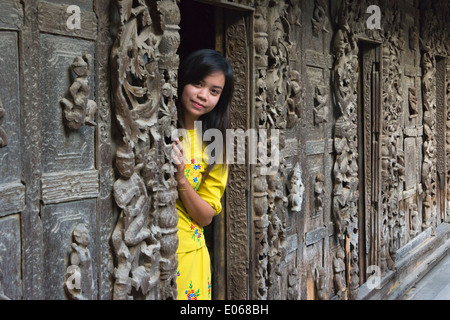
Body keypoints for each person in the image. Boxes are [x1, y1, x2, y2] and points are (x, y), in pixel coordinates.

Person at [171, 49, 234, 300]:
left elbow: (206, 215)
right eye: (197, 83)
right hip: (142, 252)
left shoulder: (215, 145)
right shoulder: (154, 125)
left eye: (214, 91)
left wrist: (181, 179)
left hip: (188, 254)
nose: (202, 95)